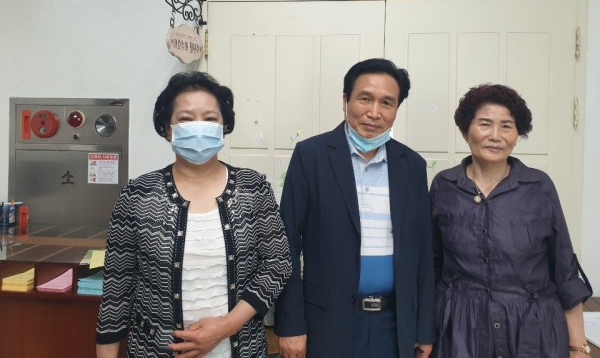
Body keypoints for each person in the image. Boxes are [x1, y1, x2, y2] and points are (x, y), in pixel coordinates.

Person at [96, 71, 292, 358]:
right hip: (154, 350)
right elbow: (117, 288)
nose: (199, 127)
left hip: (241, 348)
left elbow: (277, 265)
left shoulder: (253, 187)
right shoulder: (138, 194)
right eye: (186, 119)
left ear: (224, 127)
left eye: (210, 118)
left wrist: (226, 326)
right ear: (167, 129)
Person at [274, 58, 435, 358]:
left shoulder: (412, 165)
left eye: (386, 102)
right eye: (365, 98)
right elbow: (286, 245)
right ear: (345, 100)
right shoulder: (311, 156)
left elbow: (424, 252)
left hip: (395, 323)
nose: (374, 112)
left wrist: (424, 330)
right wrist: (291, 323)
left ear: (396, 109)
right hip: (327, 322)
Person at [430, 84, 593, 358]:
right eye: (485, 124)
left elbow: (564, 269)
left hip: (532, 331)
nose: (496, 136)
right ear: (466, 131)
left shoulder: (539, 186)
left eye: (506, 126)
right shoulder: (444, 186)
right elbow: (431, 266)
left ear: (518, 135)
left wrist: (578, 347)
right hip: (460, 331)